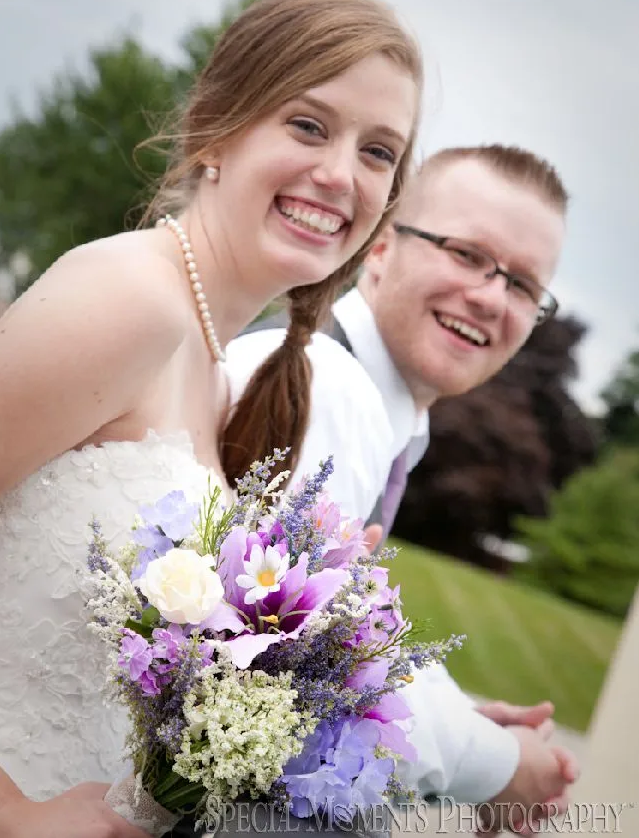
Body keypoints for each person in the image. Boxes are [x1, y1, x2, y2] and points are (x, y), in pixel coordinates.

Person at [0, 0, 423, 837]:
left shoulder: (212, 369)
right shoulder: (130, 301)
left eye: (379, 152)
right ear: (218, 127)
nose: (340, 174)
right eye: (308, 125)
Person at [224, 144, 578, 829]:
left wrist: (457, 711)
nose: (489, 296)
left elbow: (340, 633)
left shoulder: (382, 415)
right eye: (466, 254)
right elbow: (285, 665)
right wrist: (497, 763)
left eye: (522, 285)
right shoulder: (324, 387)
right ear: (382, 246)